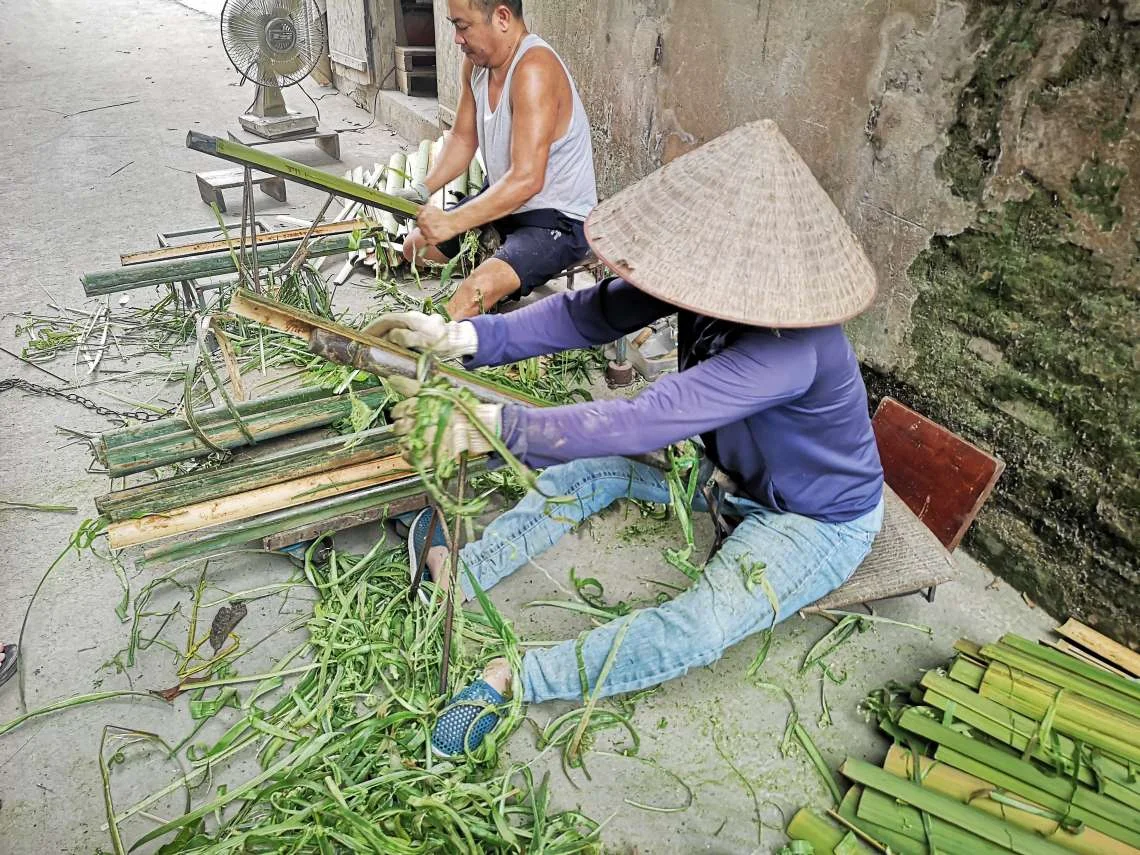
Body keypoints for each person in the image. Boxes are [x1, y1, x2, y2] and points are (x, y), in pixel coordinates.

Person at [372, 120, 885, 758]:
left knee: (702, 624)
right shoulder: (711, 288)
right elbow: (590, 313)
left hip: (812, 519)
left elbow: (647, 416)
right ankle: (459, 574)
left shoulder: (793, 348)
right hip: (728, 474)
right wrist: (467, 339)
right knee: (585, 471)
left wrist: (496, 427)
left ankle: (514, 680)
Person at [391, 0, 597, 321]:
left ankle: (496, 273)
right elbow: (462, 138)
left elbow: (528, 180)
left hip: (554, 219)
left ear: (502, 17)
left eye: (463, 26)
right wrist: (423, 187)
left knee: (466, 301)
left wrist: (452, 222)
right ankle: (496, 262)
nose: (457, 39)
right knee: (414, 248)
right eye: (454, 26)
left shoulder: (534, 70)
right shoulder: (476, 66)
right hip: (505, 203)